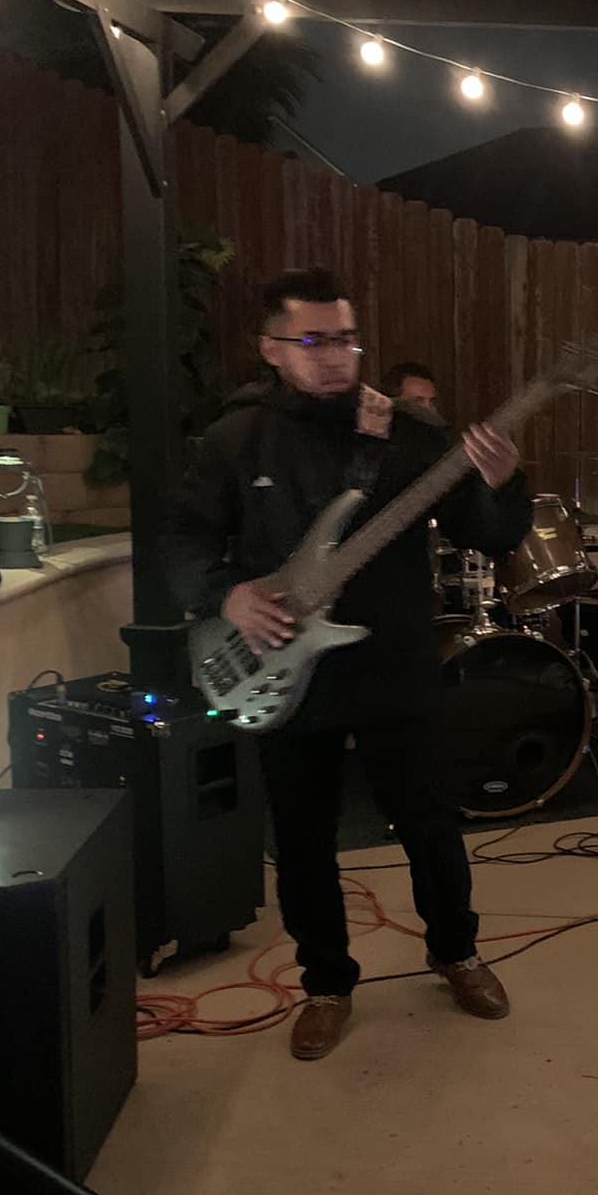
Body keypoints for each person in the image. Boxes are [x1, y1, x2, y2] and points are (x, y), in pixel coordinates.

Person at [169, 268, 532, 1061]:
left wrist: (504, 485)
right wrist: (228, 597)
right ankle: (327, 984)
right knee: (303, 840)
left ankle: (457, 952)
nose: (335, 355)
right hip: (280, 666)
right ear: (271, 348)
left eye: (346, 339)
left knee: (431, 825)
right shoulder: (234, 438)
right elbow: (187, 540)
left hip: (393, 662)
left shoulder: (409, 434)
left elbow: (488, 534)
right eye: (313, 340)